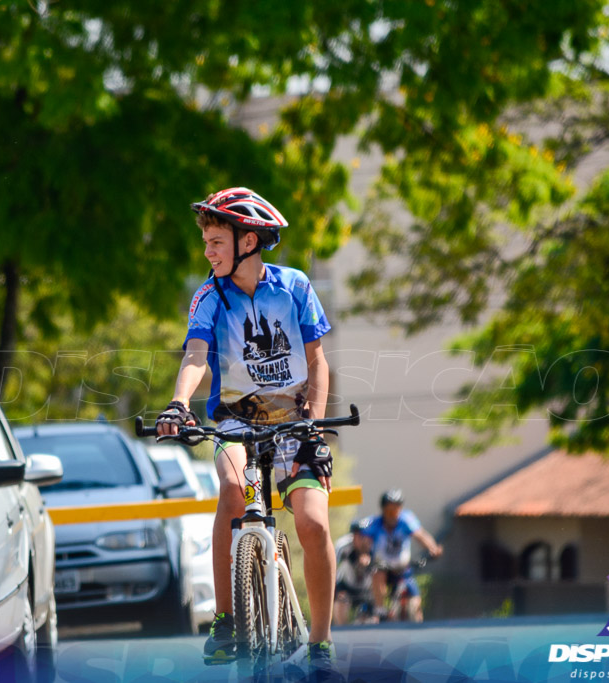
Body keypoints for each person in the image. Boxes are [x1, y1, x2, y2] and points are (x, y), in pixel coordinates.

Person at [156, 187, 335, 670]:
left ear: (249, 241)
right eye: (207, 242)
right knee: (233, 490)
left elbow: (318, 364)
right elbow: (196, 353)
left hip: (295, 422)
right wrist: (179, 403)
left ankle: (320, 644)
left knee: (313, 523)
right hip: (236, 421)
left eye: (216, 241)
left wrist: (313, 426)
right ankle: (226, 619)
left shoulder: (295, 287)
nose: (208, 252)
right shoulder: (208, 296)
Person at [364, 489, 443, 622]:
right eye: (389, 511)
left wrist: (432, 548)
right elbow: (364, 543)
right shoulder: (375, 524)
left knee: (416, 605)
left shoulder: (406, 520)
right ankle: (380, 611)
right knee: (378, 574)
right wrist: (364, 556)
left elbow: (420, 535)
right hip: (384, 569)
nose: (393, 515)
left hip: (403, 569)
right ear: (383, 510)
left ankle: (416, 630)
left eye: (396, 511)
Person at [333, 517, 376, 626]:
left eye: (365, 535)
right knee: (340, 602)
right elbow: (332, 568)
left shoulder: (375, 546)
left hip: (367, 589)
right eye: (358, 535)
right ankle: (340, 632)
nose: (363, 539)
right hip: (345, 586)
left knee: (373, 617)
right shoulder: (342, 546)